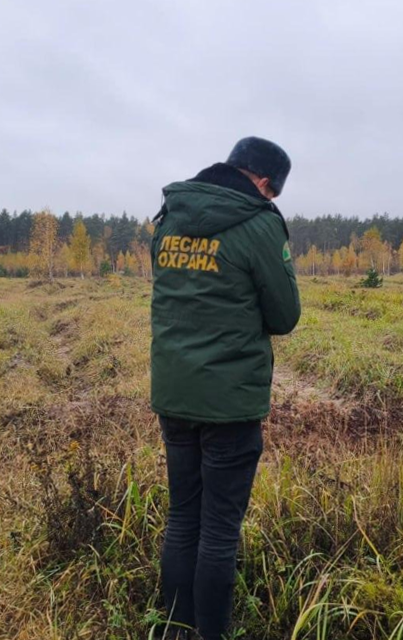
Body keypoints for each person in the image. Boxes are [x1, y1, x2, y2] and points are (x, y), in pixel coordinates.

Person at [150, 136, 301, 639]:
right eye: (272, 193)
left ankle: (177, 630)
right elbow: (284, 316)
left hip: (174, 394)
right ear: (263, 182)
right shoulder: (259, 223)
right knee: (218, 531)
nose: (270, 200)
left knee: (182, 518)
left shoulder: (170, 216)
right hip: (230, 403)